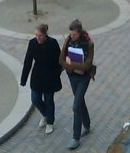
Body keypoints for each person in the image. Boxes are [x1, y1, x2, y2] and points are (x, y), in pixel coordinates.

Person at [20, 23, 62, 135]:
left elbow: (59, 60)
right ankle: (45, 114)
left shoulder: (52, 43)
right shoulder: (32, 43)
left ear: (45, 35)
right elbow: (28, 61)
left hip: (50, 77)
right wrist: (23, 79)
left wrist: (57, 73)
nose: (37, 38)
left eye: (40, 36)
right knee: (35, 99)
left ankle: (50, 122)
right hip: (37, 76)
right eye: (36, 35)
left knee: (49, 100)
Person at [60, 18, 95, 150]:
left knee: (76, 106)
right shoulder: (68, 40)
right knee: (80, 102)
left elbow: (87, 65)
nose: (71, 36)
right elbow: (61, 59)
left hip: (83, 78)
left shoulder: (89, 44)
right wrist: (71, 67)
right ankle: (87, 124)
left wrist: (71, 64)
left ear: (79, 33)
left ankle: (75, 138)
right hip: (72, 76)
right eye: (70, 34)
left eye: (74, 34)